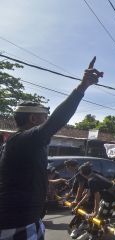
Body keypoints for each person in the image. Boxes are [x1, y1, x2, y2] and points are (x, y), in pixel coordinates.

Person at [0, 57, 103, 239]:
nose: (47, 120)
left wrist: (53, 182)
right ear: (33, 119)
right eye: (44, 116)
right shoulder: (21, 141)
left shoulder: (29, 147)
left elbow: (26, 179)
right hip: (16, 224)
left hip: (31, 221)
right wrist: (82, 87)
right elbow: (56, 122)